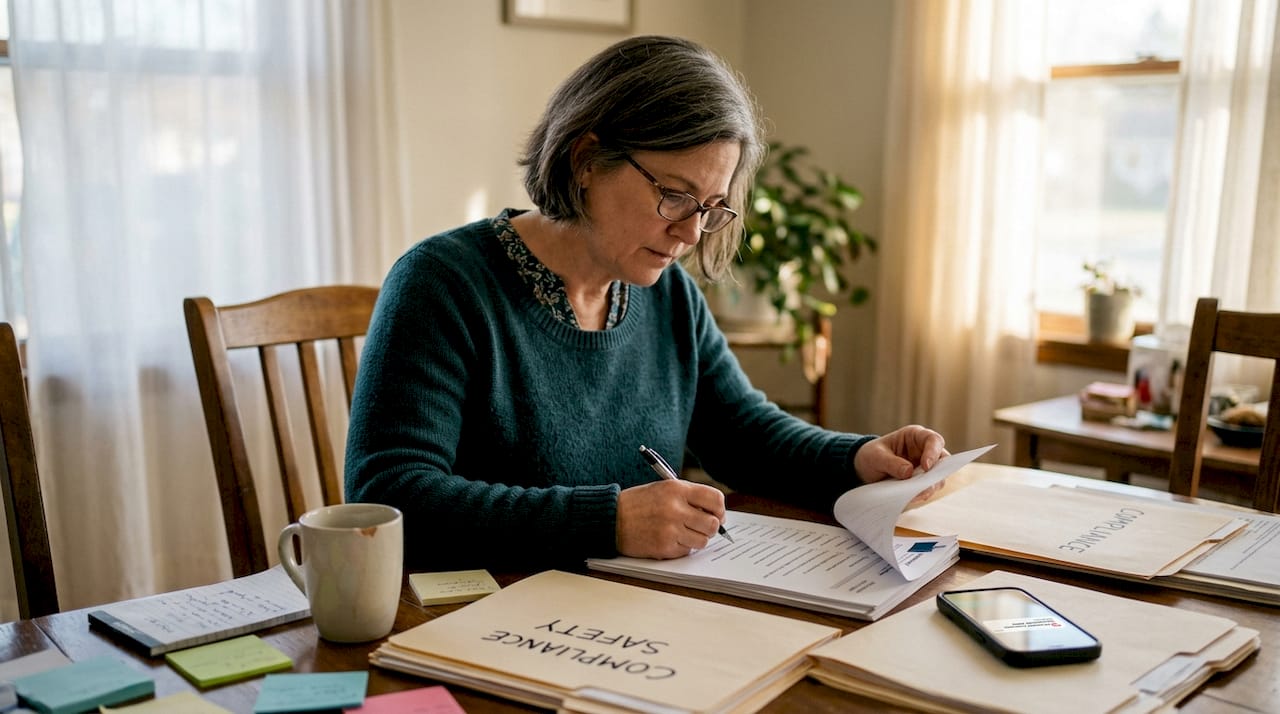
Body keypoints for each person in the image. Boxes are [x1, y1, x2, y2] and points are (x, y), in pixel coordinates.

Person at [345, 35, 946, 570]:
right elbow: (388, 495)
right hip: (478, 621)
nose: (690, 234)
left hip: (624, 615)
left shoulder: (667, 296)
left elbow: (742, 435)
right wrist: (607, 522)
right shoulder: (441, 285)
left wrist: (859, 458)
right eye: (675, 195)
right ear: (585, 160)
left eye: (711, 207)